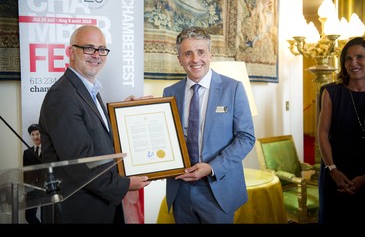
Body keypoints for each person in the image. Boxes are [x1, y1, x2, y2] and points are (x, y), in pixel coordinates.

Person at [38, 25, 151, 224]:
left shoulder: (87, 89)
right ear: (71, 52)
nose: (96, 55)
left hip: (99, 204)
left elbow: (97, 135)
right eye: (88, 48)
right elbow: (82, 163)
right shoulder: (62, 96)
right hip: (79, 211)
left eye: (101, 49)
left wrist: (124, 114)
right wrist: (124, 184)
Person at [162, 26, 256, 223]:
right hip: (181, 189)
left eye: (201, 52)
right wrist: (138, 110)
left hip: (217, 188)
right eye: (188, 53)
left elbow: (246, 138)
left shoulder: (234, 88)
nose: (195, 59)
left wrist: (212, 167)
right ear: (179, 58)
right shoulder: (169, 92)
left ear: (210, 54)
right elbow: (163, 137)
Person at [317, 36, 365, 224]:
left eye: (360, 57)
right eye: (348, 59)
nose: (353, 63)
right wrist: (333, 170)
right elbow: (322, 134)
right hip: (333, 169)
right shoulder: (331, 91)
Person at [23, 123, 43, 224]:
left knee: (47, 216)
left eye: (38, 134)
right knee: (29, 216)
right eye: (33, 134)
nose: (35, 137)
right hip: (32, 190)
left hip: (46, 188)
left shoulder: (49, 151)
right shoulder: (27, 153)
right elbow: (25, 173)